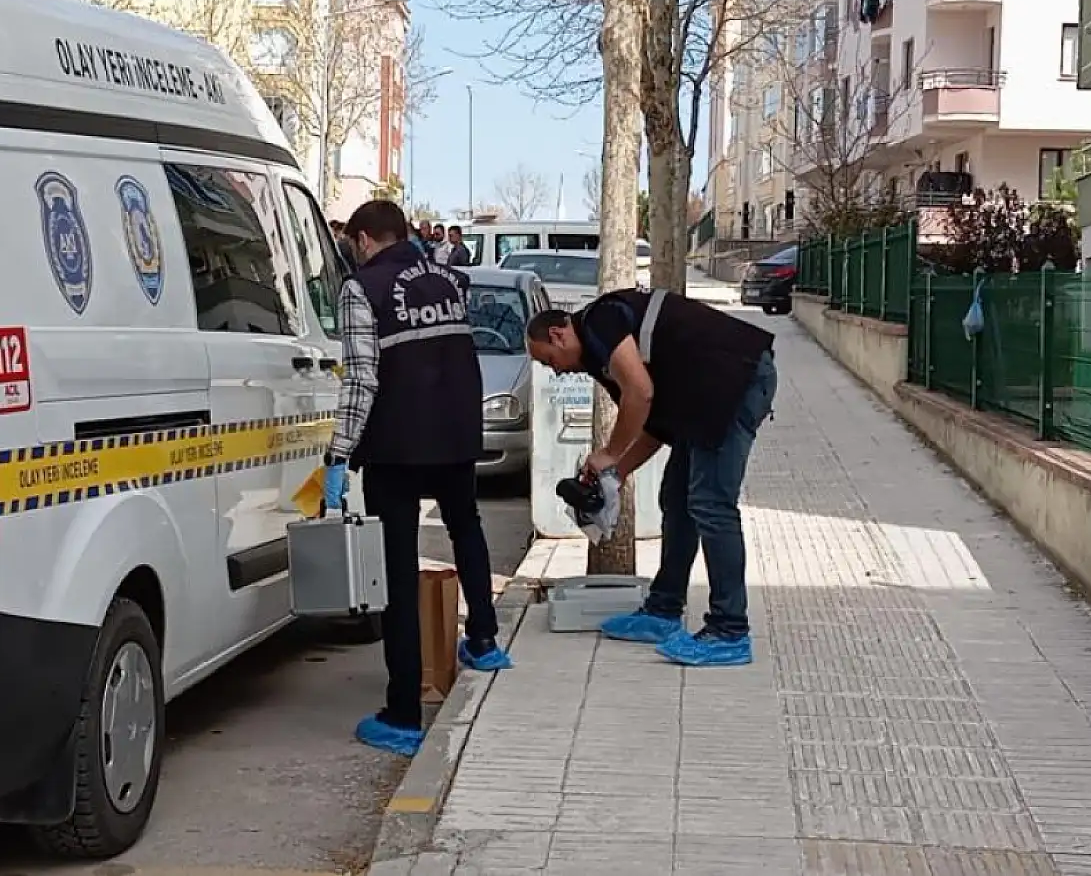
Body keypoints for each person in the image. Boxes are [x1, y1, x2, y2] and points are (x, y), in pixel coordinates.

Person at [325, 199, 513, 756]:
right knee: (466, 526)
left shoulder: (364, 288)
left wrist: (339, 454)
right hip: (455, 433)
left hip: (397, 445)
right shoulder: (450, 278)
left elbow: (361, 378)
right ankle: (483, 639)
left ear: (361, 239)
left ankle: (404, 712)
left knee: (399, 573)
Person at [524, 289, 778, 667]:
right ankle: (663, 609)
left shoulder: (600, 321)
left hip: (735, 380)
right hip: (704, 393)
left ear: (559, 334)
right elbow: (655, 423)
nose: (556, 370)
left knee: (711, 505)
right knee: (676, 500)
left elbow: (640, 394)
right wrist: (617, 473)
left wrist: (609, 454)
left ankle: (730, 630)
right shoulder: (599, 356)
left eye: (549, 360)